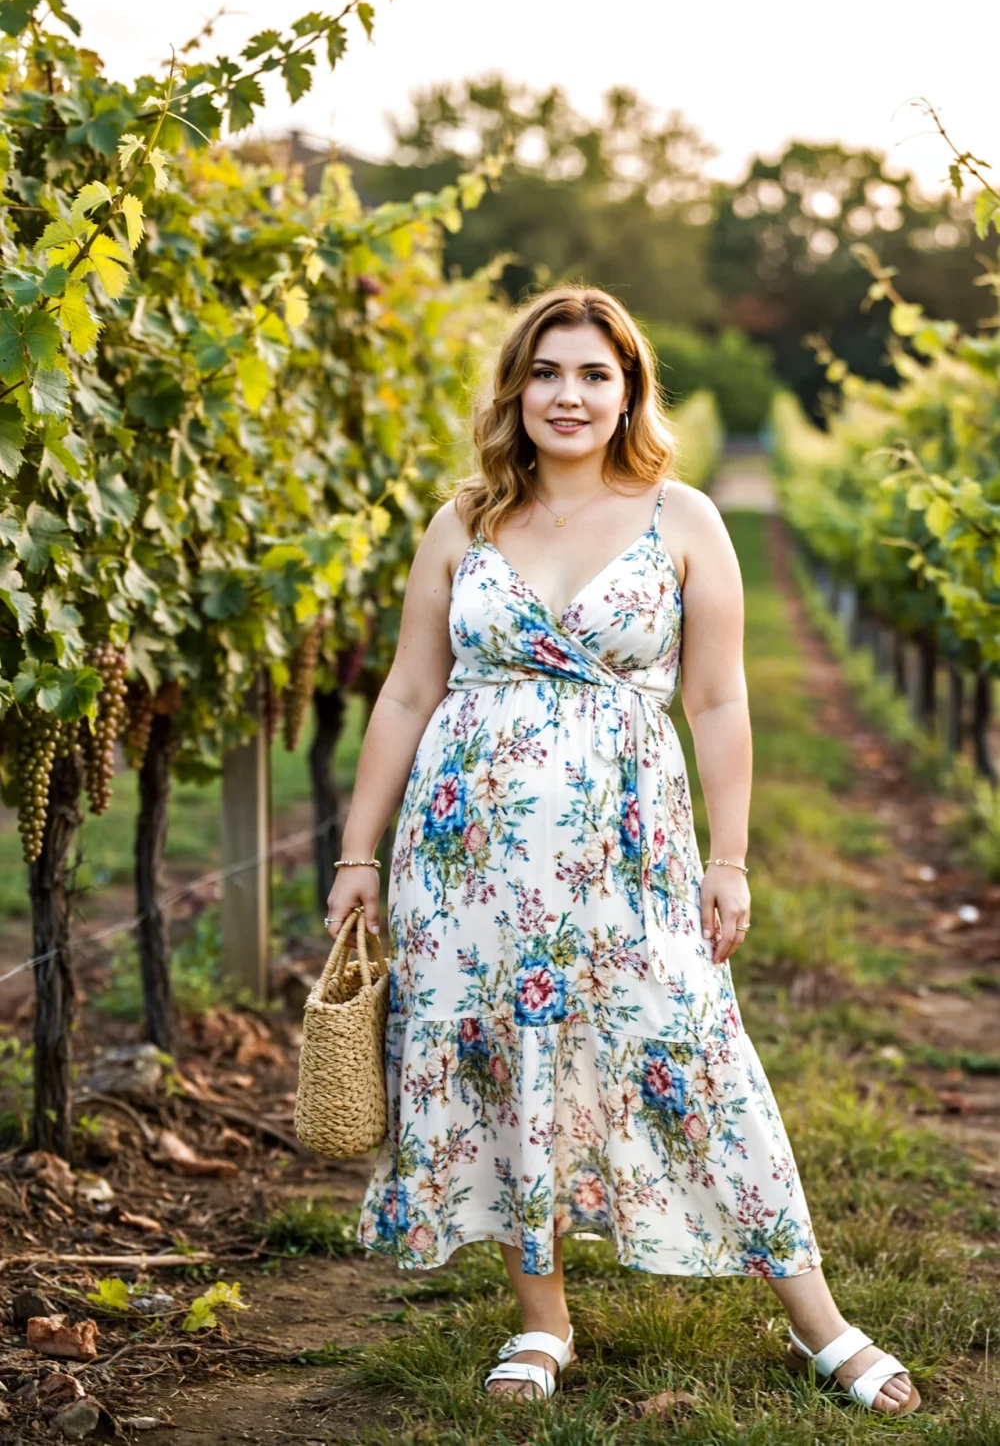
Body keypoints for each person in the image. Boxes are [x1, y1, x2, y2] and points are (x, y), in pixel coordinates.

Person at [323, 285, 919, 1417]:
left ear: (630, 389)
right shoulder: (464, 520)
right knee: (503, 1062)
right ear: (517, 386)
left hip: (628, 852)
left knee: (690, 1047)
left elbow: (720, 702)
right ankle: (541, 1322)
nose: (569, 394)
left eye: (596, 373)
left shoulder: (681, 517)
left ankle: (818, 1324)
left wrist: (729, 858)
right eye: (548, 371)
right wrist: (359, 854)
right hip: (465, 863)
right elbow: (406, 693)